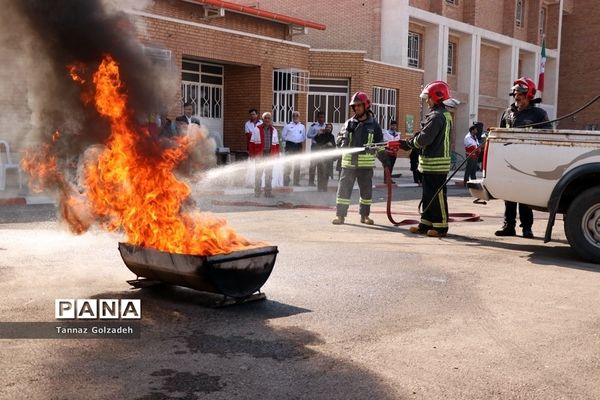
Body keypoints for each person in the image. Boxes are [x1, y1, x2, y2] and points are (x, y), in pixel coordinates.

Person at [495, 77, 551, 239]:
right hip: (508, 160)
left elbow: (547, 138)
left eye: (521, 94)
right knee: (509, 195)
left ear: (530, 95)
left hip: (528, 162)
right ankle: (509, 226)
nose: (517, 96)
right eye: (515, 93)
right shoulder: (508, 113)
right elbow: (500, 134)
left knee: (524, 195)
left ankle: (527, 228)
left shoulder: (539, 114)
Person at [403, 80, 453, 238]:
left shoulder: (438, 116)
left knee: (437, 196)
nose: (427, 100)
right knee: (428, 195)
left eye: (429, 97)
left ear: (437, 97)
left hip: (437, 164)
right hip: (430, 164)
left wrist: (410, 144)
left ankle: (441, 227)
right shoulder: (438, 115)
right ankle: (425, 223)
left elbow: (425, 138)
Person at [332, 92, 383, 225]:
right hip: (348, 164)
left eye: (359, 105)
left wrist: (386, 161)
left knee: (366, 193)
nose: (357, 108)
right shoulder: (349, 123)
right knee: (343, 191)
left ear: (366, 106)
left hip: (365, 166)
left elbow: (381, 145)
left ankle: (364, 216)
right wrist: (342, 140)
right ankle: (340, 216)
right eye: (355, 106)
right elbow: (339, 138)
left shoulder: (374, 125)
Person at [248, 112, 280, 198]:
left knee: (269, 175)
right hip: (260, 156)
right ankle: (257, 192)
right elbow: (251, 143)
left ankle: (268, 192)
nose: (267, 120)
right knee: (258, 174)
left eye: (269, 118)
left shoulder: (274, 130)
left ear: (270, 119)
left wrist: (276, 155)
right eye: (265, 118)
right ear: (262, 119)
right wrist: (252, 155)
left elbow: (276, 144)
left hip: (270, 155)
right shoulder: (256, 129)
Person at [282, 111, 306, 186]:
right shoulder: (288, 125)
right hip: (290, 146)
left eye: (297, 116)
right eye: (294, 116)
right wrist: (290, 139)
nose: (295, 117)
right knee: (288, 164)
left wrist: (301, 148)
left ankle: (296, 182)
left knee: (297, 165)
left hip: (298, 146)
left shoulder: (302, 126)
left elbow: (303, 137)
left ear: (299, 117)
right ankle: (286, 181)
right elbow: (283, 136)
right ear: (292, 117)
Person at [307, 111, 327, 186]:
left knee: (321, 165)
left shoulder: (326, 126)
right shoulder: (313, 126)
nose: (322, 119)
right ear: (317, 118)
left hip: (323, 147)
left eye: (323, 117)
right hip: (315, 147)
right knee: (313, 164)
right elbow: (308, 135)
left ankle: (320, 182)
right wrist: (316, 133)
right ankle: (311, 182)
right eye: (320, 117)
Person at [314, 122, 336, 192]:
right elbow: (316, 140)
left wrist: (331, 145)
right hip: (321, 157)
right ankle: (319, 187)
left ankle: (324, 187)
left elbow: (334, 146)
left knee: (326, 173)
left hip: (328, 158)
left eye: (330, 128)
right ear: (325, 128)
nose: (328, 129)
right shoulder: (321, 135)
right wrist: (319, 133)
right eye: (327, 127)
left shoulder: (332, 136)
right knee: (320, 172)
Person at [463, 122, 480, 187]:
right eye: (475, 129)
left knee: (473, 170)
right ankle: (466, 183)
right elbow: (470, 146)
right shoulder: (467, 137)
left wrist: (478, 148)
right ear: (472, 130)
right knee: (468, 170)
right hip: (470, 156)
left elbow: (477, 144)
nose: (477, 131)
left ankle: (474, 183)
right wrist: (477, 148)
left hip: (475, 156)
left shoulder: (474, 137)